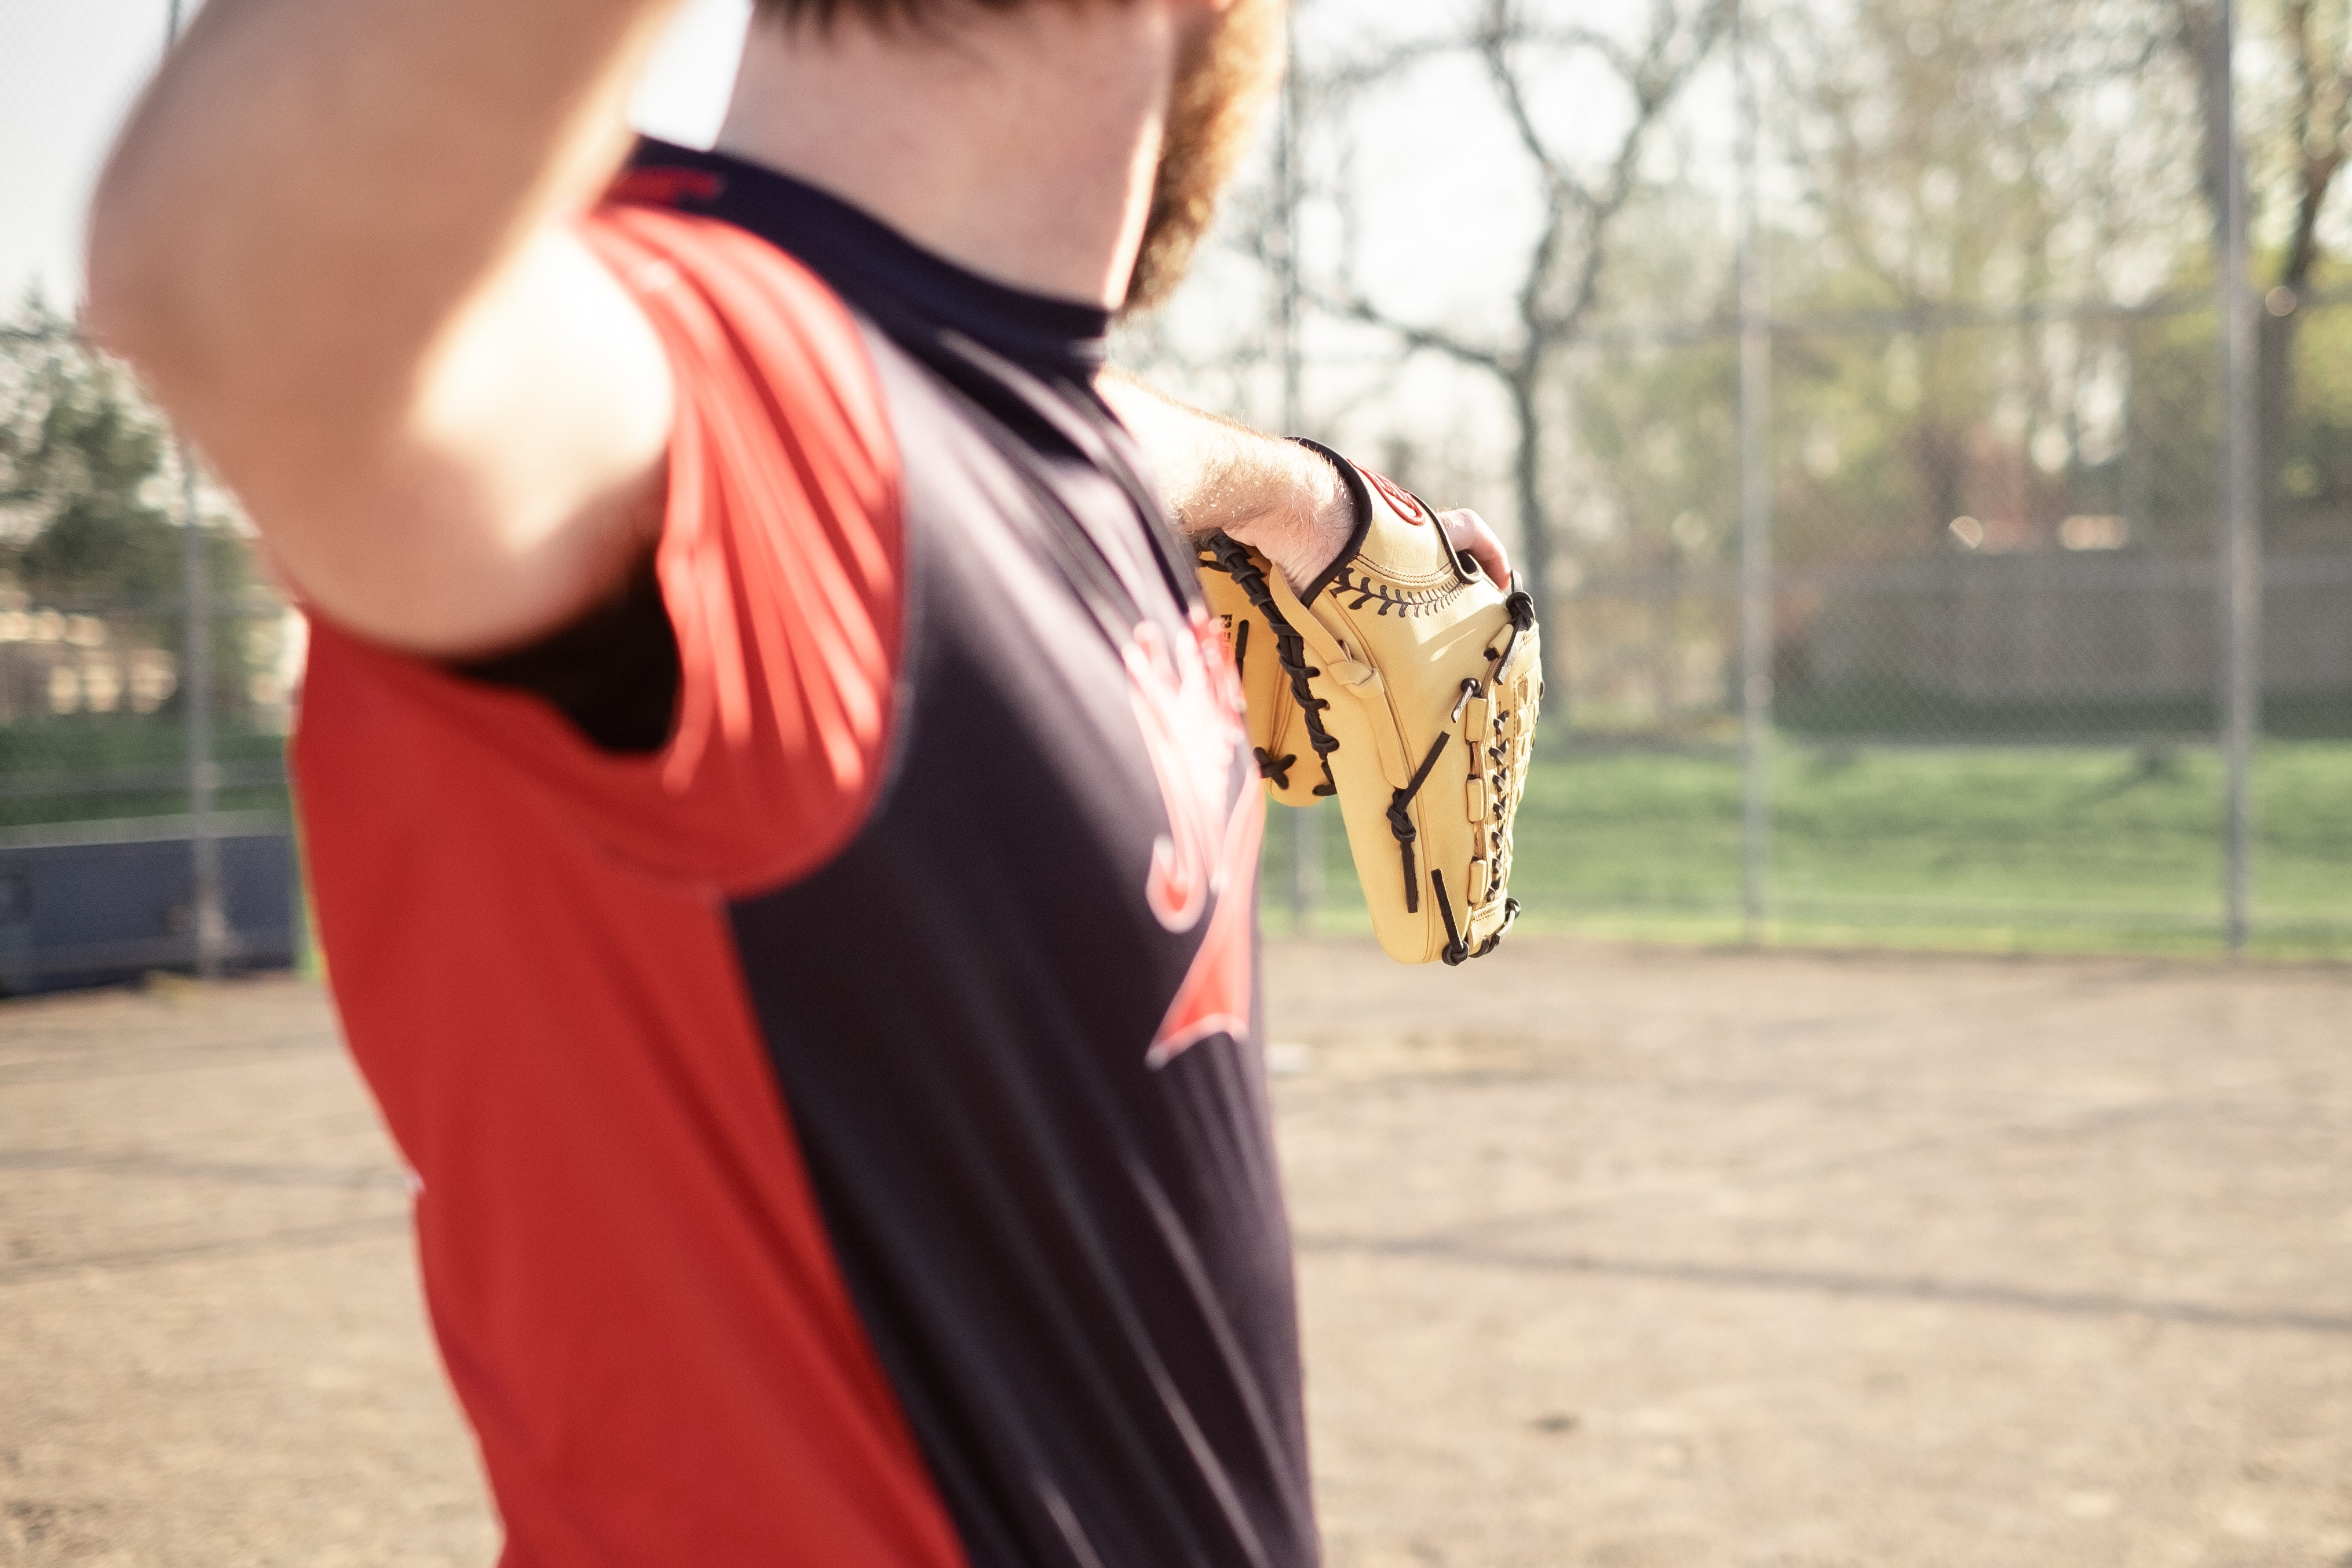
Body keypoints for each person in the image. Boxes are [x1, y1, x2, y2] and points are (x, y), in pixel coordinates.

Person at [86, 2, 1509, 1563]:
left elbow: (1028, 415)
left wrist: (1310, 504)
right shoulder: (732, 400)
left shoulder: (975, 410)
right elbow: (254, 277)